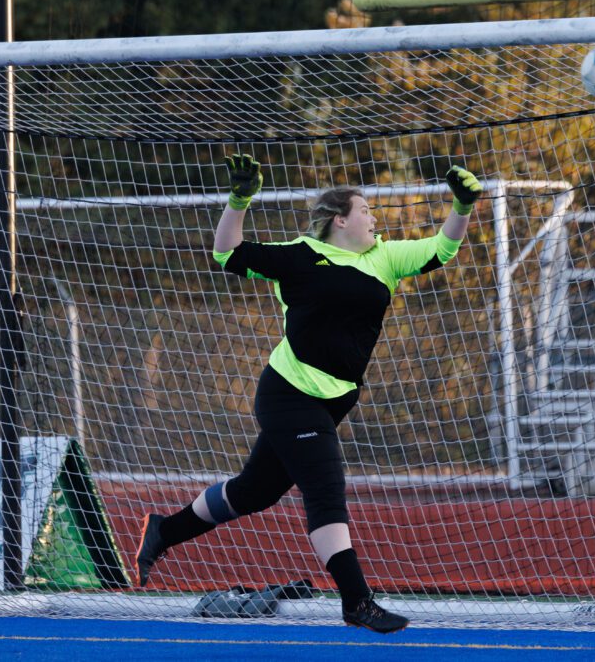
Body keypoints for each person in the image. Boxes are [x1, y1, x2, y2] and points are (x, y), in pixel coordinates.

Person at [134, 153, 482, 634]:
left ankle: (164, 530)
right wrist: (239, 200)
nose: (374, 217)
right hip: (288, 394)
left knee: (253, 492)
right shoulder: (300, 255)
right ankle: (357, 602)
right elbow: (226, 254)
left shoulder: (384, 257)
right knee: (324, 487)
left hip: (334, 400)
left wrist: (462, 206)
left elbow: (442, 250)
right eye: (366, 210)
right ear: (340, 219)